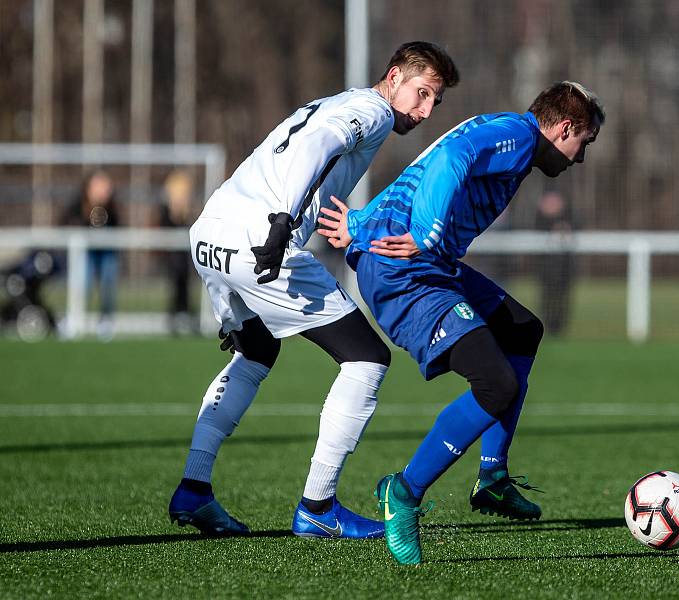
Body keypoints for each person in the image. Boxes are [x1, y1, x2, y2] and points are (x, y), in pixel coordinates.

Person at [168, 42, 459, 539]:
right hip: (260, 240)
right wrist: (284, 219)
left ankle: (194, 490)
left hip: (209, 235)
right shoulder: (373, 111)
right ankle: (318, 507)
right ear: (393, 78)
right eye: (422, 93)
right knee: (367, 358)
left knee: (256, 351)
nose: (426, 110)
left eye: (435, 101)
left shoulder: (338, 100)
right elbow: (317, 143)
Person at [318, 81, 604, 563]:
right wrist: (426, 232)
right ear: (565, 128)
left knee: (521, 330)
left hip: (425, 263)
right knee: (497, 384)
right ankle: (404, 492)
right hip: (405, 272)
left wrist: (366, 223)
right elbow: (451, 160)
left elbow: (427, 165)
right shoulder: (516, 137)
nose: (580, 158)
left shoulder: (508, 132)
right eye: (584, 144)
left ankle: (492, 477)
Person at [62, 170, 120, 340]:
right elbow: (68, 222)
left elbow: (116, 227)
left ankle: (105, 321)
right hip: (85, 252)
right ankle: (74, 318)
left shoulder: (112, 207)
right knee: (82, 283)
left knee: (108, 282)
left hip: (106, 253)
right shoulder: (78, 204)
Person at [534, 190, 577, 336]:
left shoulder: (570, 219)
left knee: (562, 300)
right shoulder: (539, 221)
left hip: (564, 271)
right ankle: (547, 326)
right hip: (546, 271)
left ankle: (558, 329)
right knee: (546, 299)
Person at [158, 170, 196, 335]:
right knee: (176, 285)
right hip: (173, 259)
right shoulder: (166, 213)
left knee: (187, 286)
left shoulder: (190, 213)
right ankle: (175, 317)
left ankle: (188, 316)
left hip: (187, 259)